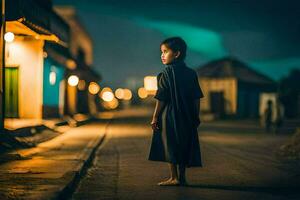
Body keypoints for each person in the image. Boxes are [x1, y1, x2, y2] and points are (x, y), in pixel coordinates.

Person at [148, 37, 204, 186]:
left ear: (177, 54)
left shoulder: (166, 73)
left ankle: (174, 177)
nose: (162, 55)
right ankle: (183, 177)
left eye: (165, 51)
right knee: (184, 144)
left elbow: (162, 98)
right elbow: (196, 97)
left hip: (169, 115)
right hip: (187, 115)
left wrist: (155, 117)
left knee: (170, 144)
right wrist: (195, 116)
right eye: (161, 52)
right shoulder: (191, 73)